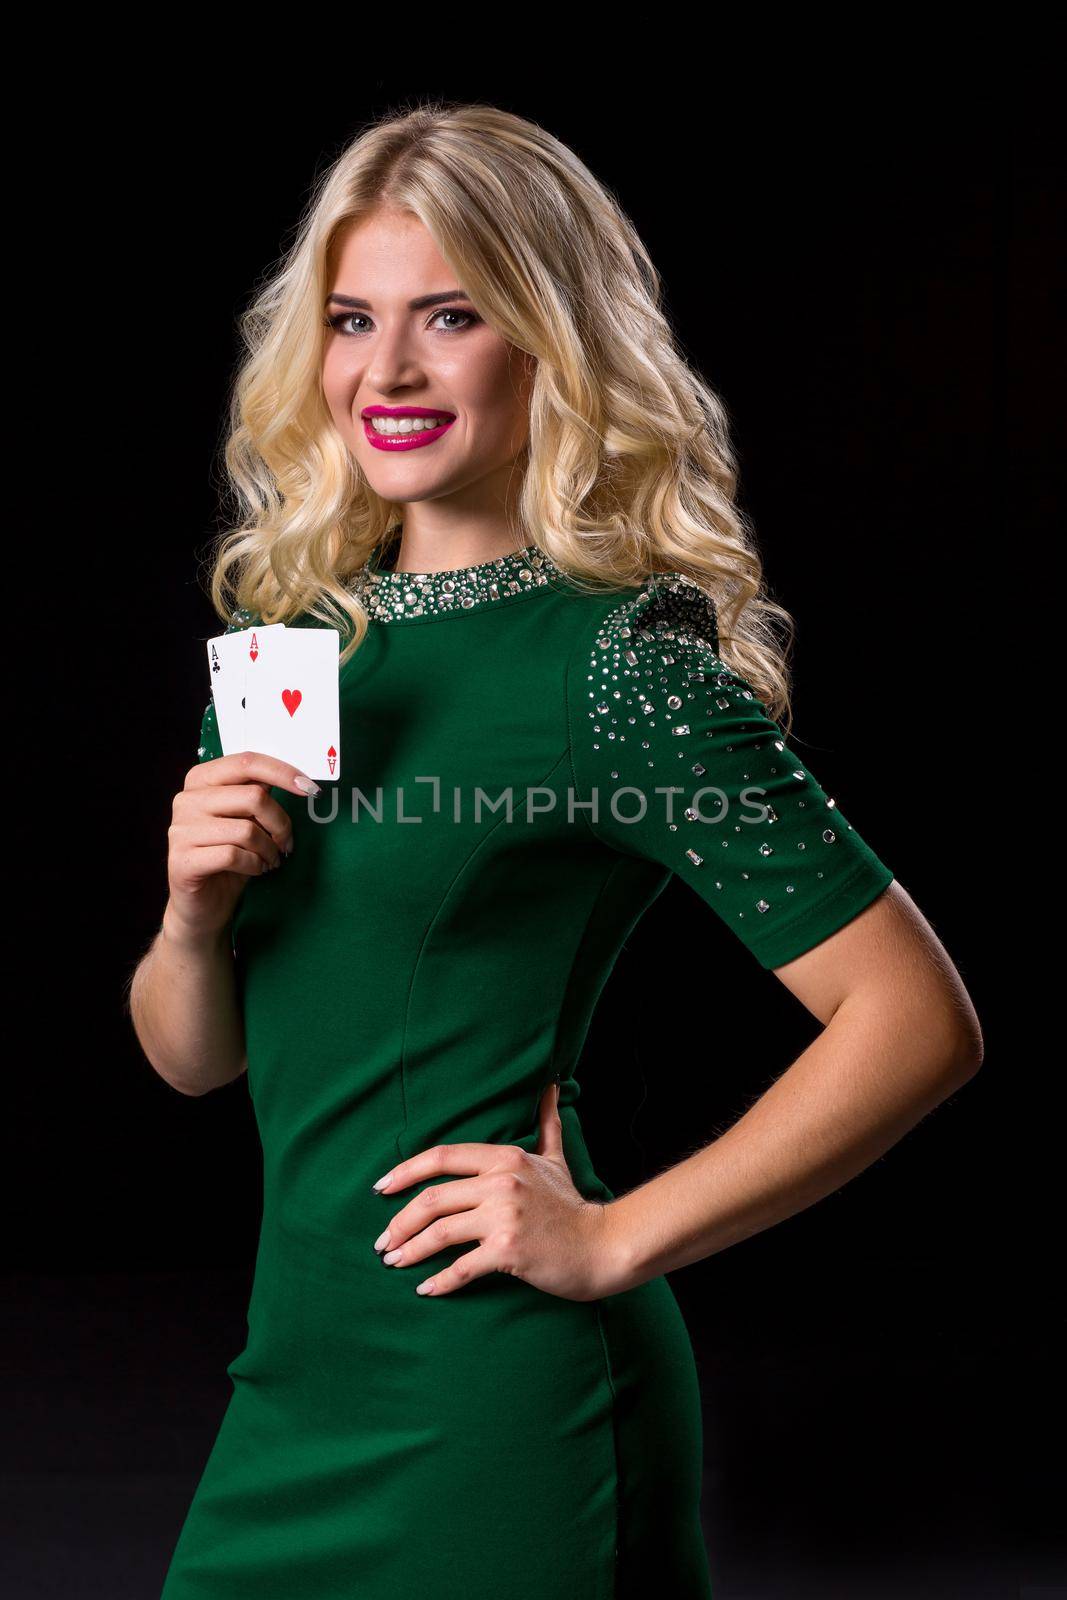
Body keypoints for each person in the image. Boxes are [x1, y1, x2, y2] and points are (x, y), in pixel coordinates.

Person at [128, 102, 983, 1600]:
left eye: (449, 317)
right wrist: (192, 922)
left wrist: (614, 1239)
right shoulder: (300, 646)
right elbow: (197, 1062)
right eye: (352, 319)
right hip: (292, 1385)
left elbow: (917, 1022)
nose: (385, 371)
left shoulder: (618, 667)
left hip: (495, 1410)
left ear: (551, 342)